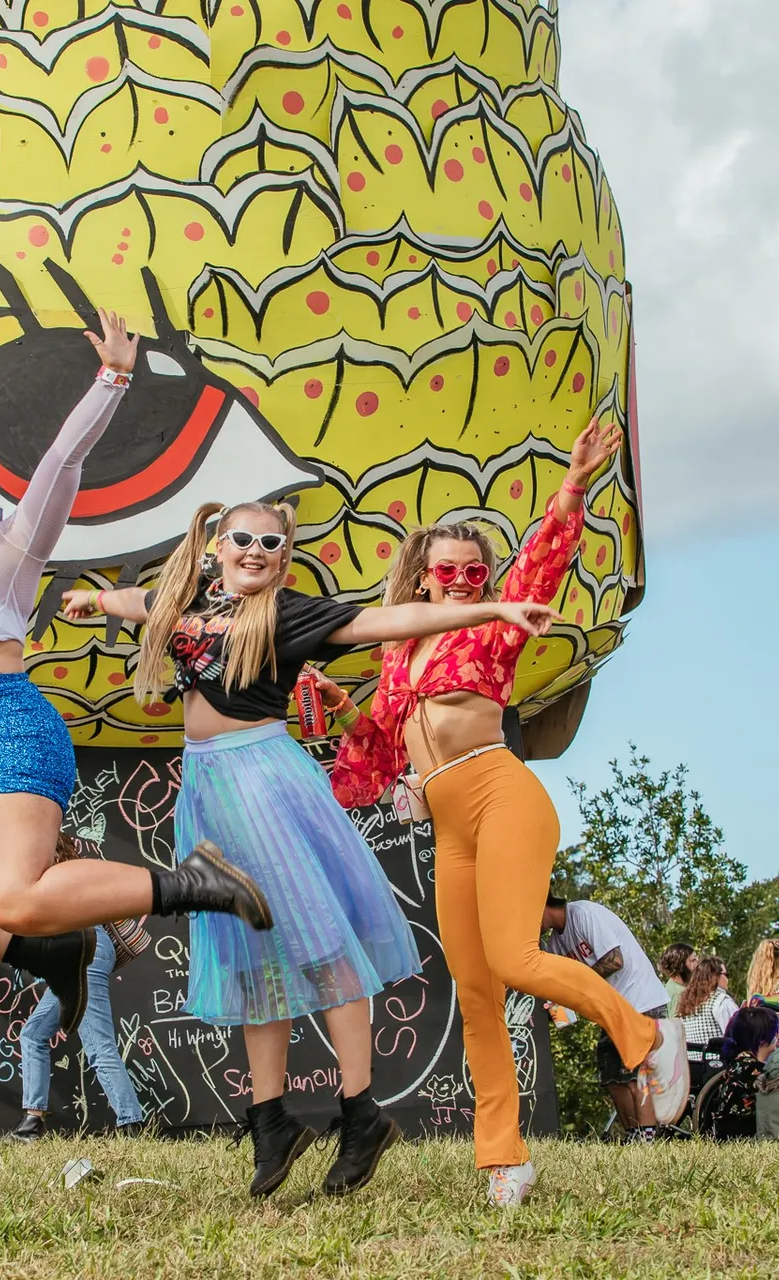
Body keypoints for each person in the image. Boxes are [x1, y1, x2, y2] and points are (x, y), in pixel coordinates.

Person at [63, 500, 555, 1199]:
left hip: (262, 780)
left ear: (283, 553)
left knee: (320, 945)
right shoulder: (186, 603)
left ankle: (361, 1113)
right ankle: (270, 1120)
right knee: (250, 952)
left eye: (272, 542)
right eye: (244, 539)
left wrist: (490, 611)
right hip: (206, 786)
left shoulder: (288, 613)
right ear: (216, 545)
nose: (257, 551)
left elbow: (386, 620)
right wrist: (92, 599)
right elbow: (137, 601)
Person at [0, 309, 272, 1040]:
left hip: (2, 725)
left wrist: (112, 377)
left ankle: (191, 883)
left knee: (11, 894)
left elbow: (60, 466)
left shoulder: (14, 546)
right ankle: (52, 948)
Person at [319, 417, 686, 1208]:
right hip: (451, 822)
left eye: (473, 572)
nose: (461, 582)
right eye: (447, 571)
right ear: (421, 578)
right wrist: (343, 709)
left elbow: (543, 563)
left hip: (502, 793)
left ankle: (644, 1034)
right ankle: (503, 1161)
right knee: (477, 993)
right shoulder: (395, 653)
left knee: (517, 960)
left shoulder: (491, 631)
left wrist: (575, 482)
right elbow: (382, 748)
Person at [0, 834, 148, 1141]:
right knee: (34, 1034)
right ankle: (31, 1123)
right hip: (86, 950)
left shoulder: (44, 877)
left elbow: (16, 921)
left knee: (98, 1046)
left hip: (82, 950)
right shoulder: (73, 871)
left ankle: (132, 1124)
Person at [541, 898, 677, 1143]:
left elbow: (615, 960)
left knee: (637, 1076)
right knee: (613, 1078)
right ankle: (633, 1134)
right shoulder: (554, 944)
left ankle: (648, 1138)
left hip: (640, 1001)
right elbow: (560, 990)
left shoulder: (583, 914)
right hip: (611, 1012)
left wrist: (579, 985)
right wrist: (550, 1015)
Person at [695, 1005, 779, 1140]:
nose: (778, 1036)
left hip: (723, 1132)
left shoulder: (738, 1063)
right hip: (744, 1134)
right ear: (763, 1038)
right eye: (776, 1031)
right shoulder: (756, 1070)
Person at [675, 955, 740, 1093]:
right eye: (726, 974)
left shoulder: (686, 1004)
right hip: (718, 1067)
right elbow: (738, 1035)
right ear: (715, 976)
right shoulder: (721, 1001)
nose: (727, 979)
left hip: (692, 1068)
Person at [657, 943, 697, 1017]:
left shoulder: (678, 987)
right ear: (680, 965)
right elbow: (676, 1024)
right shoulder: (677, 993)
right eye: (692, 961)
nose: (696, 964)